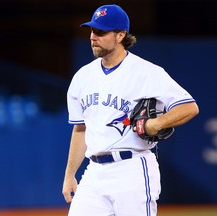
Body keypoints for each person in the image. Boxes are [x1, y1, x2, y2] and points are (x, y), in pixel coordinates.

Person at [62, 4, 199, 216]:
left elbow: (189, 107)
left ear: (120, 35)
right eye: (91, 30)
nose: (93, 36)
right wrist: (70, 174)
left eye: (101, 31)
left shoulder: (147, 72)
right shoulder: (82, 76)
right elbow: (80, 129)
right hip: (94, 172)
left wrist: (156, 124)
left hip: (132, 168)